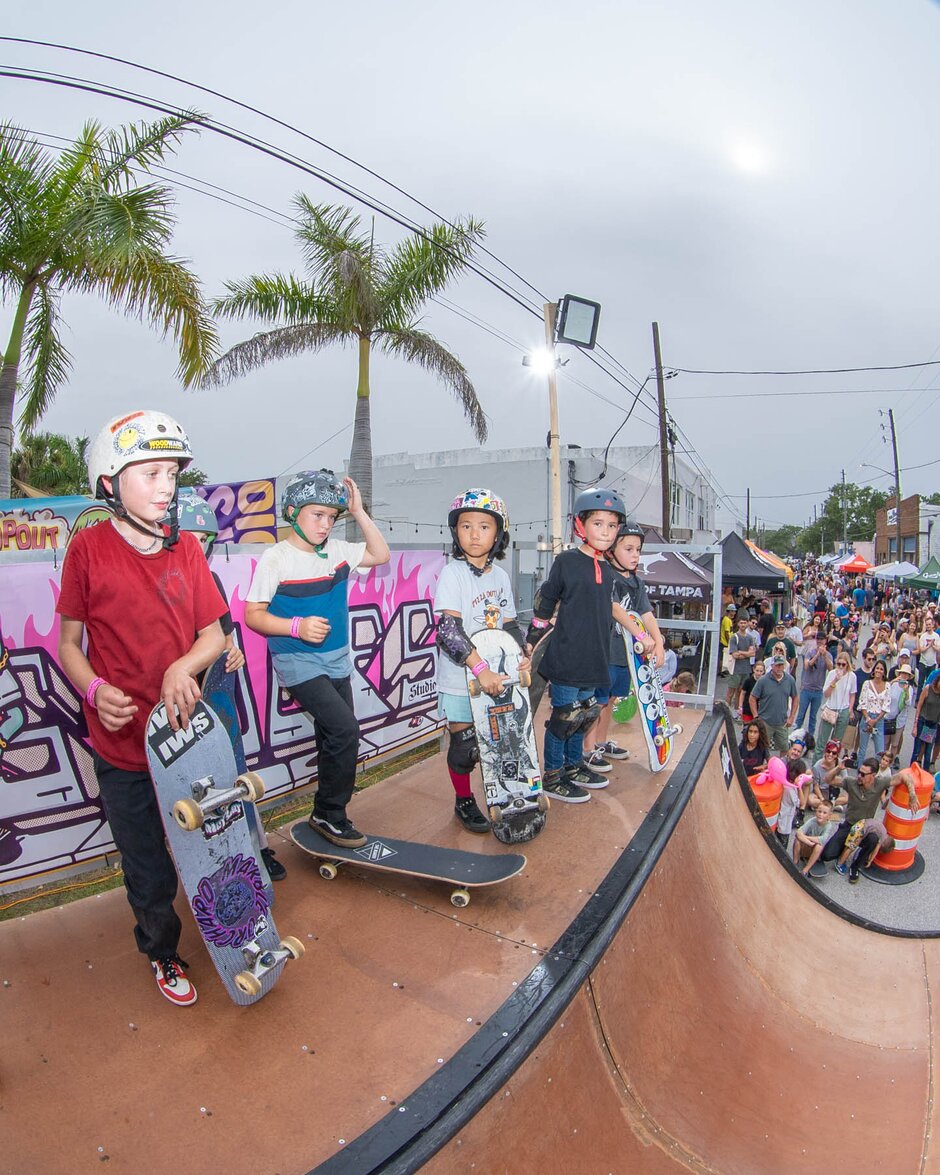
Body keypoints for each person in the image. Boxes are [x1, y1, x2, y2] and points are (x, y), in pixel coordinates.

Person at [57, 410, 228, 1007]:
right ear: (110, 482)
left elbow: (216, 636)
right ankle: (162, 950)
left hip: (186, 739)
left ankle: (225, 926)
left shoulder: (185, 551)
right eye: (149, 473)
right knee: (149, 868)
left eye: (171, 474)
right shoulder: (87, 549)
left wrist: (183, 666)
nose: (165, 487)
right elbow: (68, 645)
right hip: (123, 748)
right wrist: (91, 689)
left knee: (211, 842)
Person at [245, 469, 390, 848]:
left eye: (331, 517)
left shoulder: (338, 552)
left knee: (331, 736)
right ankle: (331, 812)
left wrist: (357, 512)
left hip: (337, 659)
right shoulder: (276, 558)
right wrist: (296, 627)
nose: (325, 525)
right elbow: (253, 615)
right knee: (345, 731)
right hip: (298, 663)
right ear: (292, 511)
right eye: (317, 515)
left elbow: (381, 554)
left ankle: (323, 815)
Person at [176, 491, 286, 883]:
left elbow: (225, 634)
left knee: (235, 772)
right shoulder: (156, 583)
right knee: (190, 782)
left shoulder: (211, 579)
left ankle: (257, 850)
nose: (198, 547)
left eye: (205, 539)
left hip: (216, 694)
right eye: (190, 537)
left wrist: (232, 651)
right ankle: (210, 862)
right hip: (176, 701)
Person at [526, 488, 657, 803]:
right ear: (580, 526)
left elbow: (616, 610)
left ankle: (573, 767)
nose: (606, 531)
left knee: (585, 714)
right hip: (568, 655)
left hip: (594, 656)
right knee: (564, 717)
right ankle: (553, 777)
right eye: (598, 524)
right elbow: (546, 601)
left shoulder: (610, 570)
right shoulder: (567, 561)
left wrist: (643, 633)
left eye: (612, 526)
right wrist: (532, 639)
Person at [433, 489, 527, 832]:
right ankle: (464, 801)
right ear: (455, 532)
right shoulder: (452, 574)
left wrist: (521, 657)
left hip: (497, 678)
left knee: (501, 740)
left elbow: (509, 624)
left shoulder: (500, 577)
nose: (474, 534)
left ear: (498, 532)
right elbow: (448, 630)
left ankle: (504, 794)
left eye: (484, 526)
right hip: (462, 678)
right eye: (466, 526)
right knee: (466, 746)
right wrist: (481, 669)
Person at [582, 520, 664, 769]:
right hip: (603, 651)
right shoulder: (606, 576)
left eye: (638, 550)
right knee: (598, 701)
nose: (635, 555)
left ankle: (600, 742)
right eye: (628, 549)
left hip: (623, 654)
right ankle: (586, 749)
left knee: (612, 699)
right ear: (611, 550)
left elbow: (646, 613)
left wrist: (659, 642)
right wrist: (642, 636)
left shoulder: (637, 583)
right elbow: (616, 609)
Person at [821, 761, 918, 864]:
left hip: (866, 828)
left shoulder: (880, 783)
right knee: (826, 855)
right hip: (849, 825)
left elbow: (904, 776)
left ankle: (856, 865)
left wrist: (912, 795)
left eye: (863, 774)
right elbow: (827, 779)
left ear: (873, 775)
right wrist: (838, 768)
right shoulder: (851, 782)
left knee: (873, 839)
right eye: (859, 772)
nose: (859, 776)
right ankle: (844, 847)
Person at [749, 654, 798, 754]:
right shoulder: (763, 680)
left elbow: (795, 698)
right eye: (777, 665)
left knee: (784, 748)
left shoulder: (790, 680)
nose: (780, 668)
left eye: (781, 665)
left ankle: (781, 767)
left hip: (782, 722)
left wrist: (792, 717)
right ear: (772, 666)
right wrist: (756, 716)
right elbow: (752, 697)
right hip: (765, 722)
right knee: (762, 748)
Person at [814, 653, 858, 762]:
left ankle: (832, 766)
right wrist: (835, 681)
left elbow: (852, 694)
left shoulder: (852, 676)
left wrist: (850, 709)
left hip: (843, 710)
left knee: (837, 743)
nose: (841, 667)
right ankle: (816, 766)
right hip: (831, 708)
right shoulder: (832, 674)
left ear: (848, 664)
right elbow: (826, 694)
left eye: (844, 664)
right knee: (822, 741)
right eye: (839, 664)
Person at [836, 818, 895, 883]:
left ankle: (841, 858)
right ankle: (840, 864)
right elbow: (876, 850)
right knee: (851, 848)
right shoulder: (882, 837)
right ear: (883, 845)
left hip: (860, 824)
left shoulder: (883, 830)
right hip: (861, 831)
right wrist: (870, 860)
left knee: (849, 847)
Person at [796, 631, 831, 738]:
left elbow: (831, 668)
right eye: (818, 639)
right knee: (800, 716)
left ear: (825, 641)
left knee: (813, 718)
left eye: (822, 639)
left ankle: (810, 740)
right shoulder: (810, 652)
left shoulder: (828, 655)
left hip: (818, 691)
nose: (820, 641)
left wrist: (824, 655)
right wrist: (817, 655)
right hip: (806, 689)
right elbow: (807, 666)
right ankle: (795, 737)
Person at [855, 658, 891, 763]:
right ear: (874, 670)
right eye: (877, 668)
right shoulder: (867, 683)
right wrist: (868, 718)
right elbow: (862, 702)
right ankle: (860, 773)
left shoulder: (887, 685)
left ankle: (876, 774)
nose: (879, 671)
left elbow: (886, 705)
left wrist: (876, 720)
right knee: (862, 749)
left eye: (881, 669)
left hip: (879, 720)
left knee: (880, 751)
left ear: (884, 672)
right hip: (867, 718)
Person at [793, 800, 838, 876]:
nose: (821, 814)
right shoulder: (812, 821)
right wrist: (809, 843)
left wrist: (806, 837)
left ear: (829, 815)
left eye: (824, 813)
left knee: (819, 846)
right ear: (816, 811)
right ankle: (795, 862)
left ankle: (805, 870)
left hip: (815, 852)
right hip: (806, 848)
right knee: (797, 839)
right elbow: (798, 833)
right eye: (819, 811)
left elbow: (822, 839)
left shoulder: (828, 826)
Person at [727, 614, 760, 714]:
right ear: (738, 624)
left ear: (747, 623)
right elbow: (734, 655)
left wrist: (741, 652)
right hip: (735, 669)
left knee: (741, 692)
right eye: (741, 622)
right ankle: (726, 712)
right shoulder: (734, 637)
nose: (743, 625)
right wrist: (746, 653)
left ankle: (737, 712)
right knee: (731, 691)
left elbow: (753, 653)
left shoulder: (750, 638)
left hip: (746, 669)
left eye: (745, 622)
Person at [910, 673, 940, 770]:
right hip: (923, 722)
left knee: (927, 753)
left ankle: (925, 778)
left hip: (932, 724)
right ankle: (911, 773)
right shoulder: (928, 689)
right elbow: (919, 706)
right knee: (917, 750)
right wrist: (915, 725)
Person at [739, 660, 764, 726]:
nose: (759, 673)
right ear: (753, 670)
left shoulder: (764, 682)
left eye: (761, 671)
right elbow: (742, 693)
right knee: (747, 727)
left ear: (763, 672)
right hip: (747, 708)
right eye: (757, 670)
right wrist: (740, 706)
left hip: (759, 710)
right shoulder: (748, 681)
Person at [719, 604, 735, 676]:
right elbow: (726, 632)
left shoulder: (728, 620)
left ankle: (723, 670)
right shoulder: (727, 620)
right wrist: (729, 642)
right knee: (723, 657)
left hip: (726, 641)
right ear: (729, 611)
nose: (734, 613)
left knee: (725, 657)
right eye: (733, 611)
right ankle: (721, 671)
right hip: (724, 642)